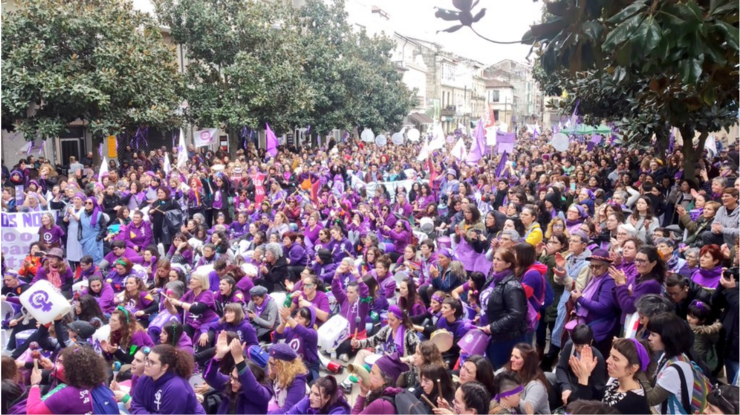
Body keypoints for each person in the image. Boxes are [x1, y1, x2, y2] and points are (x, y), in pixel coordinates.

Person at [26, 345, 118, 414]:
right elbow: (78, 377)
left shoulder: (66, 395)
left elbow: (33, 412)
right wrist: (53, 368)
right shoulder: (101, 384)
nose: (60, 366)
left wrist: (35, 384)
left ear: (69, 369)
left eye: (62, 363)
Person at [204, 331, 274, 414]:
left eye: (237, 379)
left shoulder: (262, 394)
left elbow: (252, 389)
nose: (232, 381)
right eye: (232, 377)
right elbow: (208, 376)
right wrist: (219, 356)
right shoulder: (231, 384)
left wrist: (239, 359)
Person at [644, 312, 701, 414]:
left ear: (667, 337)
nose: (649, 338)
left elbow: (651, 399)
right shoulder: (673, 356)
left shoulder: (673, 370)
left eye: (653, 334)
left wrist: (637, 367)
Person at [480, 248, 528, 369]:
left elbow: (516, 314)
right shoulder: (493, 277)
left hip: (506, 338)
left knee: (502, 370)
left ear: (508, 264)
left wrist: (493, 327)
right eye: (494, 258)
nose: (494, 262)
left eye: (499, 260)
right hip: (490, 334)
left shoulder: (512, 286)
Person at [571, 249, 619, 356]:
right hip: (591, 326)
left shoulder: (608, 281)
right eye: (591, 266)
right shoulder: (596, 278)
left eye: (598, 266)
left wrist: (580, 299)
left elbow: (603, 307)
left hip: (600, 331)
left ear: (607, 266)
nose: (593, 269)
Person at [130, 344, 203, 414]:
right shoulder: (144, 378)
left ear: (165, 367)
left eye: (152, 362)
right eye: (147, 359)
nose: (146, 364)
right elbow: (135, 405)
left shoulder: (176, 387)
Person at [611, 246, 665, 327]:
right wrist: (619, 285)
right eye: (636, 260)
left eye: (642, 261)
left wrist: (622, 286)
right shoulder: (634, 278)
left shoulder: (650, 284)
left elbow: (629, 307)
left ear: (653, 263)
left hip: (637, 326)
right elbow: (619, 304)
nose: (638, 264)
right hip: (626, 322)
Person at [555, 324, 607, 406]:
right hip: (569, 384)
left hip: (587, 392)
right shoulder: (569, 346)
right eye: (577, 345)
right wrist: (566, 387)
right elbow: (560, 368)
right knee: (547, 377)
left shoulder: (597, 358)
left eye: (583, 346)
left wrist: (586, 376)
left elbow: (599, 386)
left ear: (591, 342)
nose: (579, 349)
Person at [503, 343, 551, 414]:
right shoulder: (511, 370)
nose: (511, 359)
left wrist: (512, 395)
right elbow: (495, 375)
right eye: (512, 355)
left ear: (527, 362)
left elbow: (528, 410)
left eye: (516, 357)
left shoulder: (536, 385)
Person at [267, 343, 309, 414]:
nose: (270, 366)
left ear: (284, 365)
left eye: (273, 364)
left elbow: (289, 409)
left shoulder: (298, 382)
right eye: (269, 363)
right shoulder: (276, 373)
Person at [286, 376, 351, 415]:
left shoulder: (340, 411)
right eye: (311, 392)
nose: (311, 397)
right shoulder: (309, 399)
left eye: (316, 395)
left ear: (327, 398)